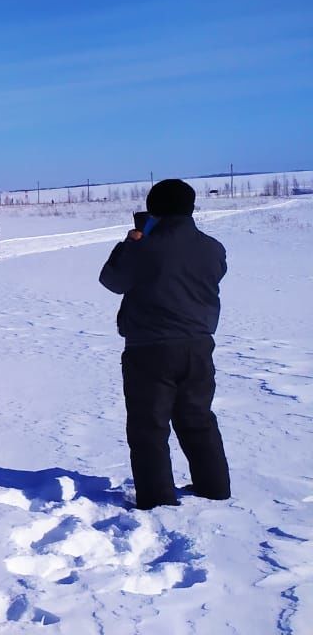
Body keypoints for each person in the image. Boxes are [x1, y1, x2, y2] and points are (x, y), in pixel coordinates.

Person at [99, 179, 230, 510]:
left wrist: (131, 243)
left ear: (154, 210)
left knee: (149, 426)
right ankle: (214, 487)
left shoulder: (144, 248)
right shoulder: (213, 248)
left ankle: (157, 500)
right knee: (197, 418)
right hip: (199, 347)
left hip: (150, 349)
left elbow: (112, 280)